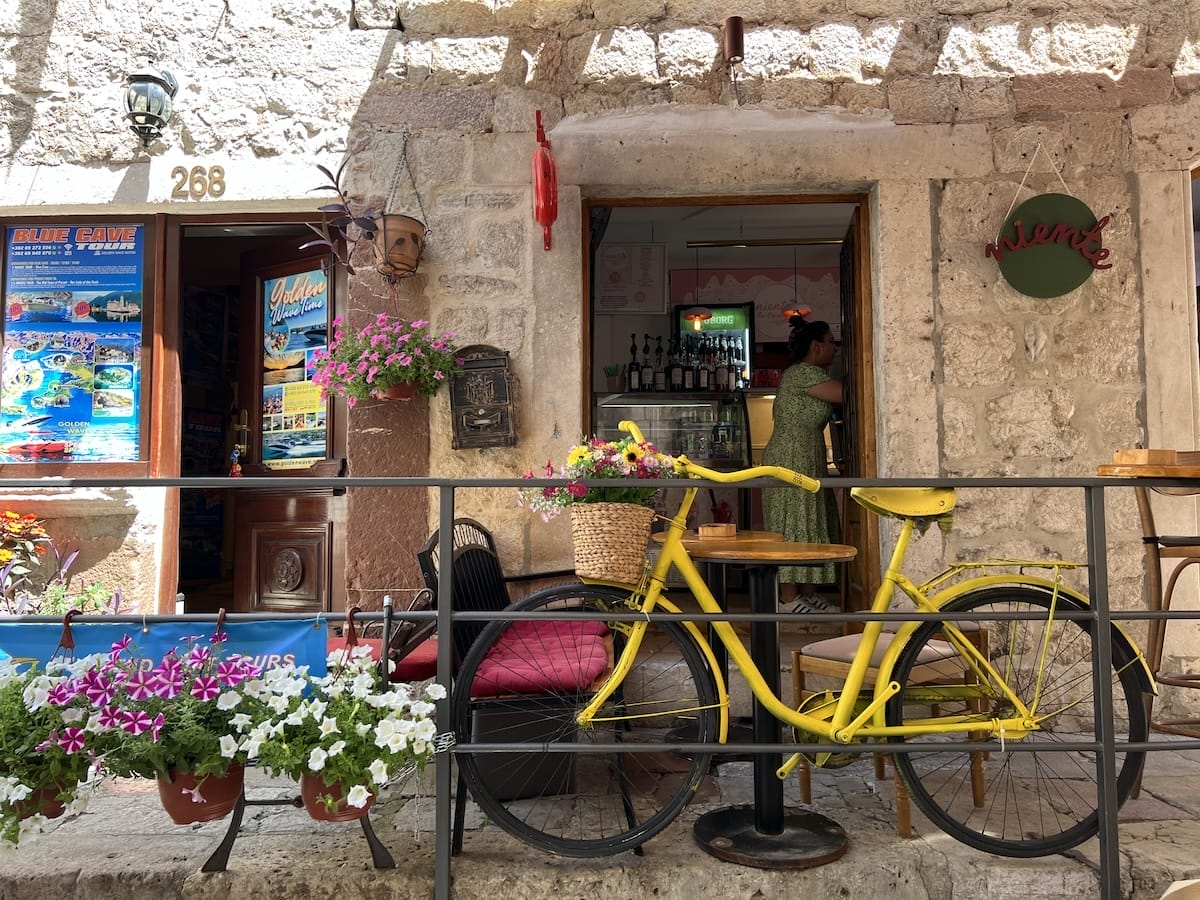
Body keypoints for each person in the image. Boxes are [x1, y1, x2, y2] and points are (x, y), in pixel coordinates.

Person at [761, 316, 843, 613]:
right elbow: (849, 394)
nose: (835, 348)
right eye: (831, 342)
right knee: (793, 523)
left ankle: (807, 594)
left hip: (807, 454)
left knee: (811, 521)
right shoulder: (801, 373)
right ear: (816, 345)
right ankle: (788, 599)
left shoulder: (812, 373)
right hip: (791, 455)